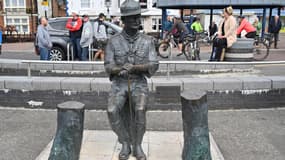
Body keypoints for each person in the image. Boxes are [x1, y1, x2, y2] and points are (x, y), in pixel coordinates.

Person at [104, 0, 159, 159]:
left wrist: (135, 68)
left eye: (138, 17)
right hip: (119, 84)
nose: (136, 21)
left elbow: (154, 64)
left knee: (140, 110)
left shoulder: (147, 41)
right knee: (112, 111)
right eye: (132, 18)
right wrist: (118, 70)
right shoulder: (113, 41)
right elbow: (108, 65)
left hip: (138, 83)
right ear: (123, 21)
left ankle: (137, 145)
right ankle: (125, 142)